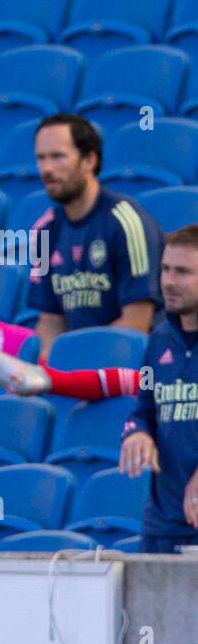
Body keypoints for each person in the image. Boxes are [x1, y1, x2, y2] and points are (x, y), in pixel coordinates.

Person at [25, 114, 164, 360]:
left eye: (57, 156)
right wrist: (45, 371)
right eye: (41, 158)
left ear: (89, 159)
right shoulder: (44, 231)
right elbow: (51, 322)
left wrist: (78, 362)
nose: (46, 169)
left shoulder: (126, 221)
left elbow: (137, 323)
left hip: (136, 368)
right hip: (79, 374)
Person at [119, 226, 198, 554]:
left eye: (183, 272)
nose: (168, 281)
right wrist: (138, 433)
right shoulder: (158, 340)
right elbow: (143, 410)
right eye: (165, 269)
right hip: (162, 526)